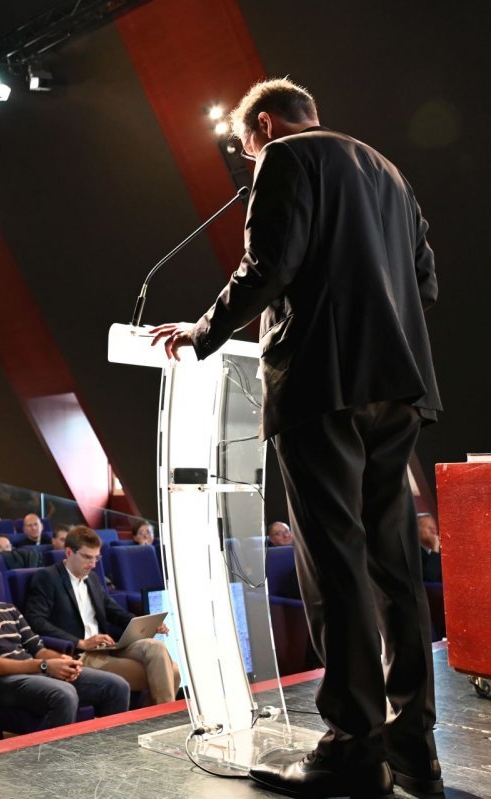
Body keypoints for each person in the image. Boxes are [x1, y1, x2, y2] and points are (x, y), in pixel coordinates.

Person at [148, 78, 442, 797]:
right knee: (394, 568)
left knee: (334, 564)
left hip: (320, 385)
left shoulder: (284, 159)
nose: (250, 165)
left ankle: (353, 746)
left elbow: (268, 266)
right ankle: (415, 750)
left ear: (267, 126)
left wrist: (201, 332)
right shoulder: (389, 173)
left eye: (246, 150)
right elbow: (425, 283)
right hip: (398, 385)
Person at [0, 548, 129, 729]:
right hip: (3, 682)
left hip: (34, 670)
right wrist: (44, 665)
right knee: (64, 694)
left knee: (117, 686)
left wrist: (61, 660)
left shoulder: (8, 609)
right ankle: (53, 758)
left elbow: (38, 649)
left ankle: (111, 754)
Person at [24, 527, 180, 705]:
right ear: (68, 552)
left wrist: (146, 624)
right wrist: (80, 642)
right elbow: (36, 621)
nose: (93, 564)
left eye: (96, 557)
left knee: (155, 645)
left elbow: (115, 612)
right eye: (87, 557)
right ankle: (159, 722)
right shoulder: (47, 577)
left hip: (107, 647)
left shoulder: (93, 579)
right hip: (81, 654)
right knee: (172, 671)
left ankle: (154, 722)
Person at [417, 513, 442, 584]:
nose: (434, 531)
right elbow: (430, 578)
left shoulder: (438, 554)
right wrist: (435, 548)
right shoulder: (414, 552)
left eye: (434, 528)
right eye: (429, 528)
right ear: (416, 530)